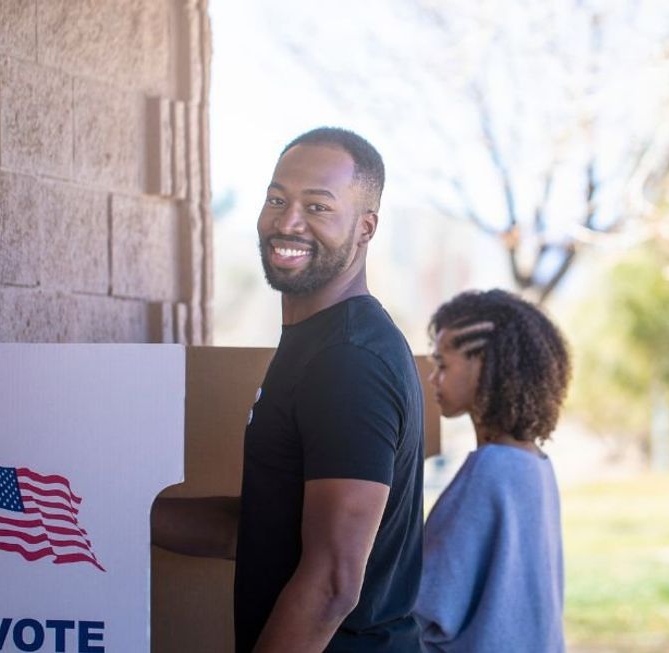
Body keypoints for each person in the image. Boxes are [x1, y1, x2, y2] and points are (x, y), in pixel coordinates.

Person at [153, 127, 425, 652]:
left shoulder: (349, 362)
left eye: (318, 207)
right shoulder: (315, 345)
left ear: (365, 227)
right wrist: (114, 511)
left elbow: (330, 585)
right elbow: (259, 530)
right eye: (278, 198)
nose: (288, 221)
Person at [414, 289, 571, 652]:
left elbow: (429, 605)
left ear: (484, 363)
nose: (433, 378)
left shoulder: (489, 470)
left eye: (442, 364)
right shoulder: (536, 466)